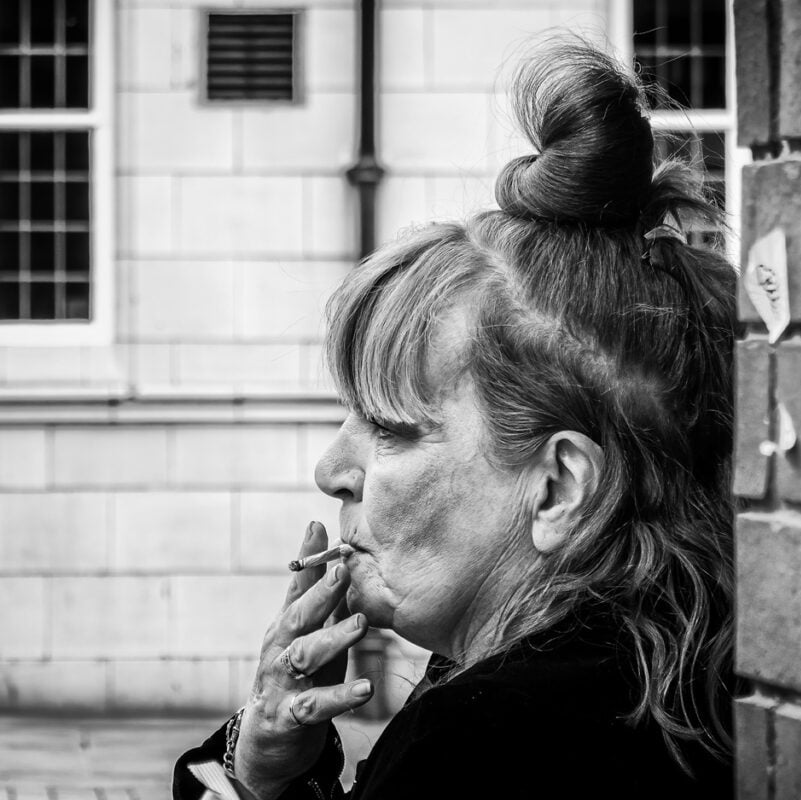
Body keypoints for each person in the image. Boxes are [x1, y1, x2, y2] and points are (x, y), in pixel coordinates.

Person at [174, 37, 737, 800]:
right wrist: (268, 762)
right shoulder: (672, 676)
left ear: (558, 487)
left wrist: (238, 784)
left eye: (392, 428)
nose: (332, 471)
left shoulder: (484, 743)